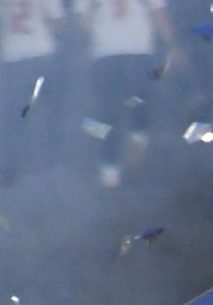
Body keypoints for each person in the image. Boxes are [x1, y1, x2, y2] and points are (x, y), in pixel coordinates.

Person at [85, 0, 175, 189]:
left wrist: (171, 45)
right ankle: (111, 165)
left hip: (132, 51)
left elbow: (158, 10)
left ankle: (133, 145)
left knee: (132, 105)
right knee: (111, 111)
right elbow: (82, 16)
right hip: (112, 53)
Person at [0, 0, 69, 184]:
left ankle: (11, 164)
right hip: (41, 56)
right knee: (50, 109)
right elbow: (58, 22)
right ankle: (50, 157)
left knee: (16, 114)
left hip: (13, 58)